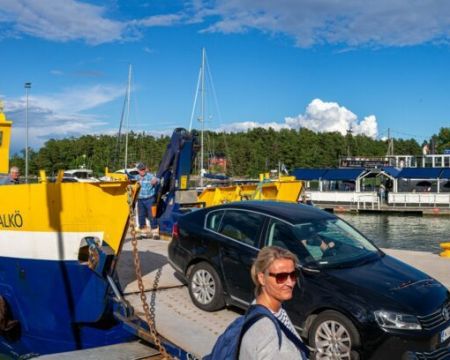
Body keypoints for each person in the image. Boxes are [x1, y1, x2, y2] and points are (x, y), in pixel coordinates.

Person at [239, 246, 308, 359]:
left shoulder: (275, 308)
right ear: (262, 278)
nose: (290, 283)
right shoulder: (265, 331)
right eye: (281, 277)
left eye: (293, 274)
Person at [130, 163, 160, 238]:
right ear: (138, 170)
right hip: (140, 200)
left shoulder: (150, 176)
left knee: (152, 215)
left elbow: (159, 180)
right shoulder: (136, 177)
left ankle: (155, 233)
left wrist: (156, 180)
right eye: (141, 170)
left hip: (150, 199)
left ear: (145, 169)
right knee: (141, 216)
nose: (142, 171)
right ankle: (143, 232)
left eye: (143, 169)